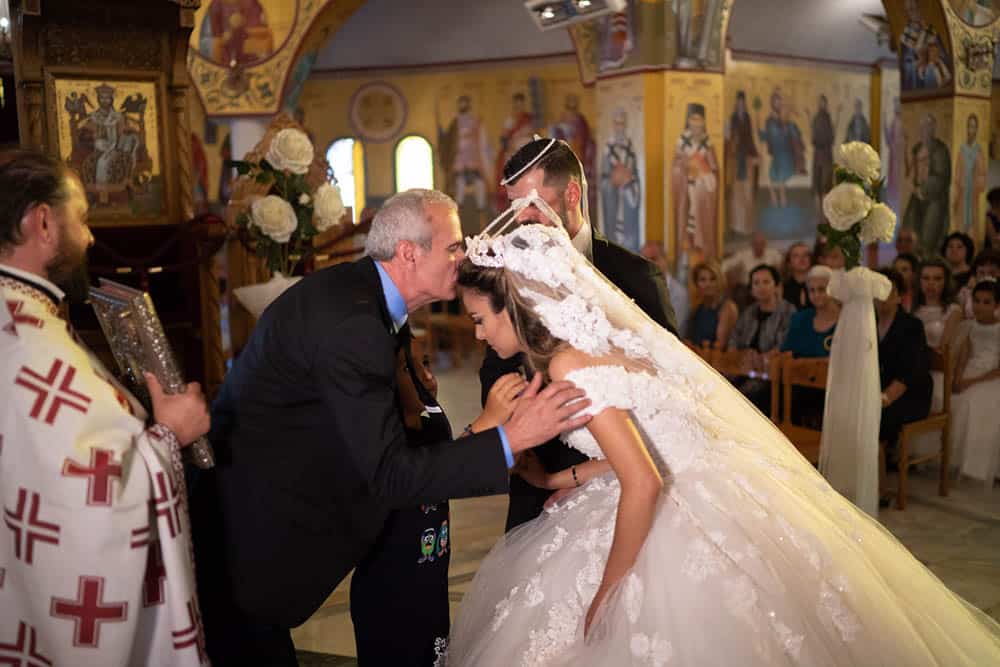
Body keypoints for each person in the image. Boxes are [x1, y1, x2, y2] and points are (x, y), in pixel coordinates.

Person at [446, 223, 1000, 665]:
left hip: (682, 497)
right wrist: (560, 479)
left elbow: (644, 479)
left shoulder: (568, 362)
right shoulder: (580, 349)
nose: (477, 333)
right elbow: (643, 448)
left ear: (514, 304)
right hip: (705, 473)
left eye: (478, 318)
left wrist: (609, 595)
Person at [192, 189, 592, 666]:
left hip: (267, 526)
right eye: (452, 246)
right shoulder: (354, 324)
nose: (463, 256)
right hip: (255, 539)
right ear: (408, 253)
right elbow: (389, 473)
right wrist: (512, 438)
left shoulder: (370, 301)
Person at [0, 150, 211, 665]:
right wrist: (170, 434)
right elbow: (86, 503)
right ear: (43, 221)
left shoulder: (20, 317)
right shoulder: (31, 343)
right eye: (84, 218)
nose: (90, 237)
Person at [485, 138, 676, 532]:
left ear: (571, 194)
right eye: (513, 209)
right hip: (539, 480)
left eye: (531, 206)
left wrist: (591, 477)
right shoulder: (508, 273)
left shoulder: (636, 277)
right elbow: (495, 368)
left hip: (623, 480)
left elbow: (670, 387)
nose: (520, 221)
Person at [350, 330, 525, 666]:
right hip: (389, 587)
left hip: (429, 574)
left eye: (426, 363)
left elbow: (447, 461)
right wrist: (486, 423)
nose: (425, 377)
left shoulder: (429, 412)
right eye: (407, 369)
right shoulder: (386, 437)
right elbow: (431, 472)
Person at [875, 268, 933, 486]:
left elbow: (911, 371)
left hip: (910, 394)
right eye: (877, 291)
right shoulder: (868, 322)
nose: (881, 297)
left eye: (887, 291)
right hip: (880, 390)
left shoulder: (911, 325)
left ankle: (878, 489)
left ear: (899, 296)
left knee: (875, 420)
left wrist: (884, 399)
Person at [729, 263, 797, 412]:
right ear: (751, 289)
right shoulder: (749, 311)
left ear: (776, 286)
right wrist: (739, 353)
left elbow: (785, 343)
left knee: (743, 398)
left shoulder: (788, 311)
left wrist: (764, 357)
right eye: (756, 283)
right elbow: (734, 336)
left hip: (771, 374)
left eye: (766, 282)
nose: (761, 287)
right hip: (744, 367)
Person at [951, 279, 1000, 483]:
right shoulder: (969, 327)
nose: (980, 306)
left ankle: (981, 466)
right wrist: (959, 378)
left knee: (979, 404)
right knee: (959, 402)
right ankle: (959, 462)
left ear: (997, 305)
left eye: (986, 302)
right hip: (971, 374)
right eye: (977, 301)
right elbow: (964, 356)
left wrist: (972, 382)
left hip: (992, 377)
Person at [671, 103, 719, 261]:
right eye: (693, 119)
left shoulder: (708, 144)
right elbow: (676, 168)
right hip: (686, 190)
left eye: (699, 120)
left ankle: (703, 249)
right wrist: (686, 168)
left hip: (703, 191)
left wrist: (704, 174)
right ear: (688, 121)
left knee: (700, 221)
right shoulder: (682, 142)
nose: (696, 123)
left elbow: (714, 170)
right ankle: (685, 248)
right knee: (687, 220)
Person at [781, 265, 839, 359]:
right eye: (812, 290)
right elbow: (787, 354)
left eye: (821, 289)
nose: (816, 295)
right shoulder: (799, 319)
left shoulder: (845, 321)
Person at [914, 258, 962, 354]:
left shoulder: (953, 311)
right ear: (919, 281)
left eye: (937, 279)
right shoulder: (912, 309)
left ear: (946, 282)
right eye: (926, 278)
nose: (931, 283)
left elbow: (945, 351)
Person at [684, 261, 737, 349]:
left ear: (719, 281)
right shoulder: (697, 308)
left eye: (713, 279)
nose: (708, 284)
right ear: (696, 284)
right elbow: (688, 339)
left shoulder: (727, 307)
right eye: (703, 280)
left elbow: (720, 345)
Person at [781, 241, 812, 309]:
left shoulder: (820, 283)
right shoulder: (782, 287)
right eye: (796, 256)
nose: (802, 258)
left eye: (806, 255)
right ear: (789, 262)